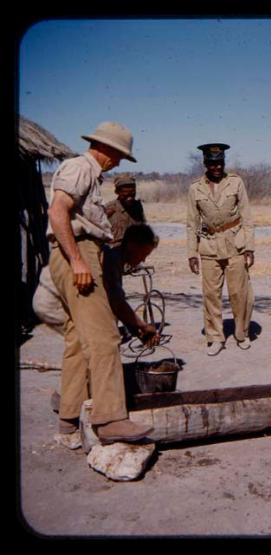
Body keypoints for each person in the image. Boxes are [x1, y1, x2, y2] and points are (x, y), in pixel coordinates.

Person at [47, 120, 155, 444]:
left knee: (79, 339)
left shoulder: (92, 177)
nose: (119, 162)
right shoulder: (80, 167)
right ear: (106, 148)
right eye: (119, 155)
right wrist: (78, 260)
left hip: (76, 253)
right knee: (106, 336)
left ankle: (69, 420)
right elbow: (57, 212)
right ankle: (109, 419)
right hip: (77, 253)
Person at [186, 143, 255, 356]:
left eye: (219, 163)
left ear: (224, 163)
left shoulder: (236, 182)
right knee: (211, 295)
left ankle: (241, 334)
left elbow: (247, 217)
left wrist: (249, 248)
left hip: (235, 244)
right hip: (208, 246)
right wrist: (192, 253)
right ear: (205, 164)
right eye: (212, 163)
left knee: (239, 293)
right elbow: (191, 223)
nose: (216, 167)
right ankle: (215, 337)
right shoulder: (195, 188)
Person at [105, 174, 146, 246]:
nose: (130, 198)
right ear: (117, 192)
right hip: (114, 250)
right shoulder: (110, 208)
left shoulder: (137, 206)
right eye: (125, 195)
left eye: (132, 194)